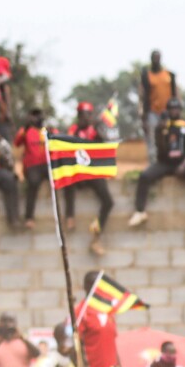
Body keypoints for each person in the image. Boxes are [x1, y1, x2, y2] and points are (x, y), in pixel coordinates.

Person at [131, 98, 185, 227]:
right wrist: (160, 132)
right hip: (165, 163)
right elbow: (160, 149)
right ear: (168, 111)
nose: (174, 111)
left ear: (180, 111)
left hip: (182, 163)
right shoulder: (163, 127)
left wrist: (184, 165)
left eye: (176, 109)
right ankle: (140, 211)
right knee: (145, 176)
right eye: (171, 109)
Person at [65, 104, 116, 255]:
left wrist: (100, 130)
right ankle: (69, 215)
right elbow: (68, 145)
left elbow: (106, 142)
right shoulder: (73, 130)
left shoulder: (95, 130)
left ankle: (96, 236)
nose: (85, 118)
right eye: (82, 115)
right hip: (78, 171)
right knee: (68, 180)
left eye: (87, 115)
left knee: (108, 201)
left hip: (92, 172)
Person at [12, 109, 49, 229]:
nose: (36, 118)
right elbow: (17, 143)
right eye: (33, 116)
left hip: (47, 165)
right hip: (33, 166)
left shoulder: (47, 131)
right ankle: (29, 217)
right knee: (33, 183)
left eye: (38, 116)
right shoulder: (25, 130)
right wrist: (26, 128)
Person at [141, 50, 177, 165]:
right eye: (154, 58)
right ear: (151, 59)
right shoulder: (147, 76)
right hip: (152, 112)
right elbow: (144, 96)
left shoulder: (169, 75)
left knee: (170, 136)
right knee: (152, 138)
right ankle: (153, 164)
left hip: (168, 112)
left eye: (158, 57)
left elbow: (175, 93)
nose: (156, 60)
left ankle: (171, 162)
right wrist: (143, 115)